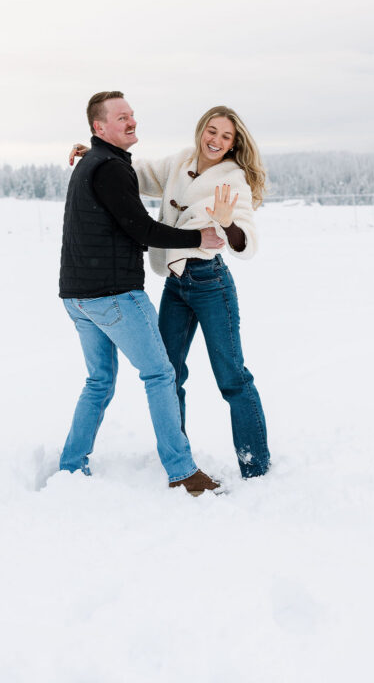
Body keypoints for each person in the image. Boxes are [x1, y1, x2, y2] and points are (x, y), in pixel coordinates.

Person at [70, 105, 271, 479]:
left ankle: (255, 462)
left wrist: (228, 225)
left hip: (211, 283)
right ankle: (180, 456)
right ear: (201, 130)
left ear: (233, 143)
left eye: (226, 136)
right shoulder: (181, 161)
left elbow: (246, 243)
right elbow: (137, 173)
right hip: (176, 284)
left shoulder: (234, 180)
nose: (216, 140)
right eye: (212, 131)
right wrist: (95, 153)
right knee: (170, 374)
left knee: (232, 377)